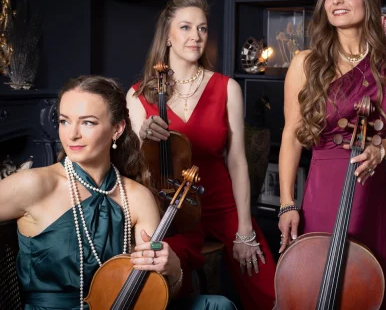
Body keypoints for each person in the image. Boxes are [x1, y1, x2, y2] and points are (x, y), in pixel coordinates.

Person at [0, 75, 234, 309]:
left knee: (219, 306)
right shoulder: (34, 185)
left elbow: (153, 294)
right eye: (64, 121)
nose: (72, 135)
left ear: (117, 129)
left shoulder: (137, 197)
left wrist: (173, 270)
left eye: (88, 122)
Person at [127, 0, 276, 310]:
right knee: (166, 283)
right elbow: (137, 165)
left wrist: (245, 227)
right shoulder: (138, 94)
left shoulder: (227, 88)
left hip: (222, 201)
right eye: (185, 27)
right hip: (170, 205)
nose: (196, 36)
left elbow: (236, 161)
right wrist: (143, 136)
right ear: (166, 35)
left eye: (202, 28)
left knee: (266, 283)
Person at [277, 0, 386, 309]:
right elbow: (291, 136)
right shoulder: (305, 63)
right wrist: (287, 202)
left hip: (372, 191)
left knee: (368, 288)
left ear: (367, 1)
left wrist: (380, 151)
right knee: (319, 283)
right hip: (324, 187)